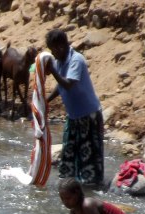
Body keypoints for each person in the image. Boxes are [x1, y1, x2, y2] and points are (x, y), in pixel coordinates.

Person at [45, 28, 104, 187]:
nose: (53, 53)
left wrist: (53, 71)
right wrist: (46, 100)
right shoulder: (60, 61)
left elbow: (69, 84)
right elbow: (60, 85)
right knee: (69, 156)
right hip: (73, 116)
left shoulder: (76, 60)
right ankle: (70, 186)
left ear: (61, 47)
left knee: (88, 155)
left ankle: (91, 188)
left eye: (53, 50)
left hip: (88, 115)